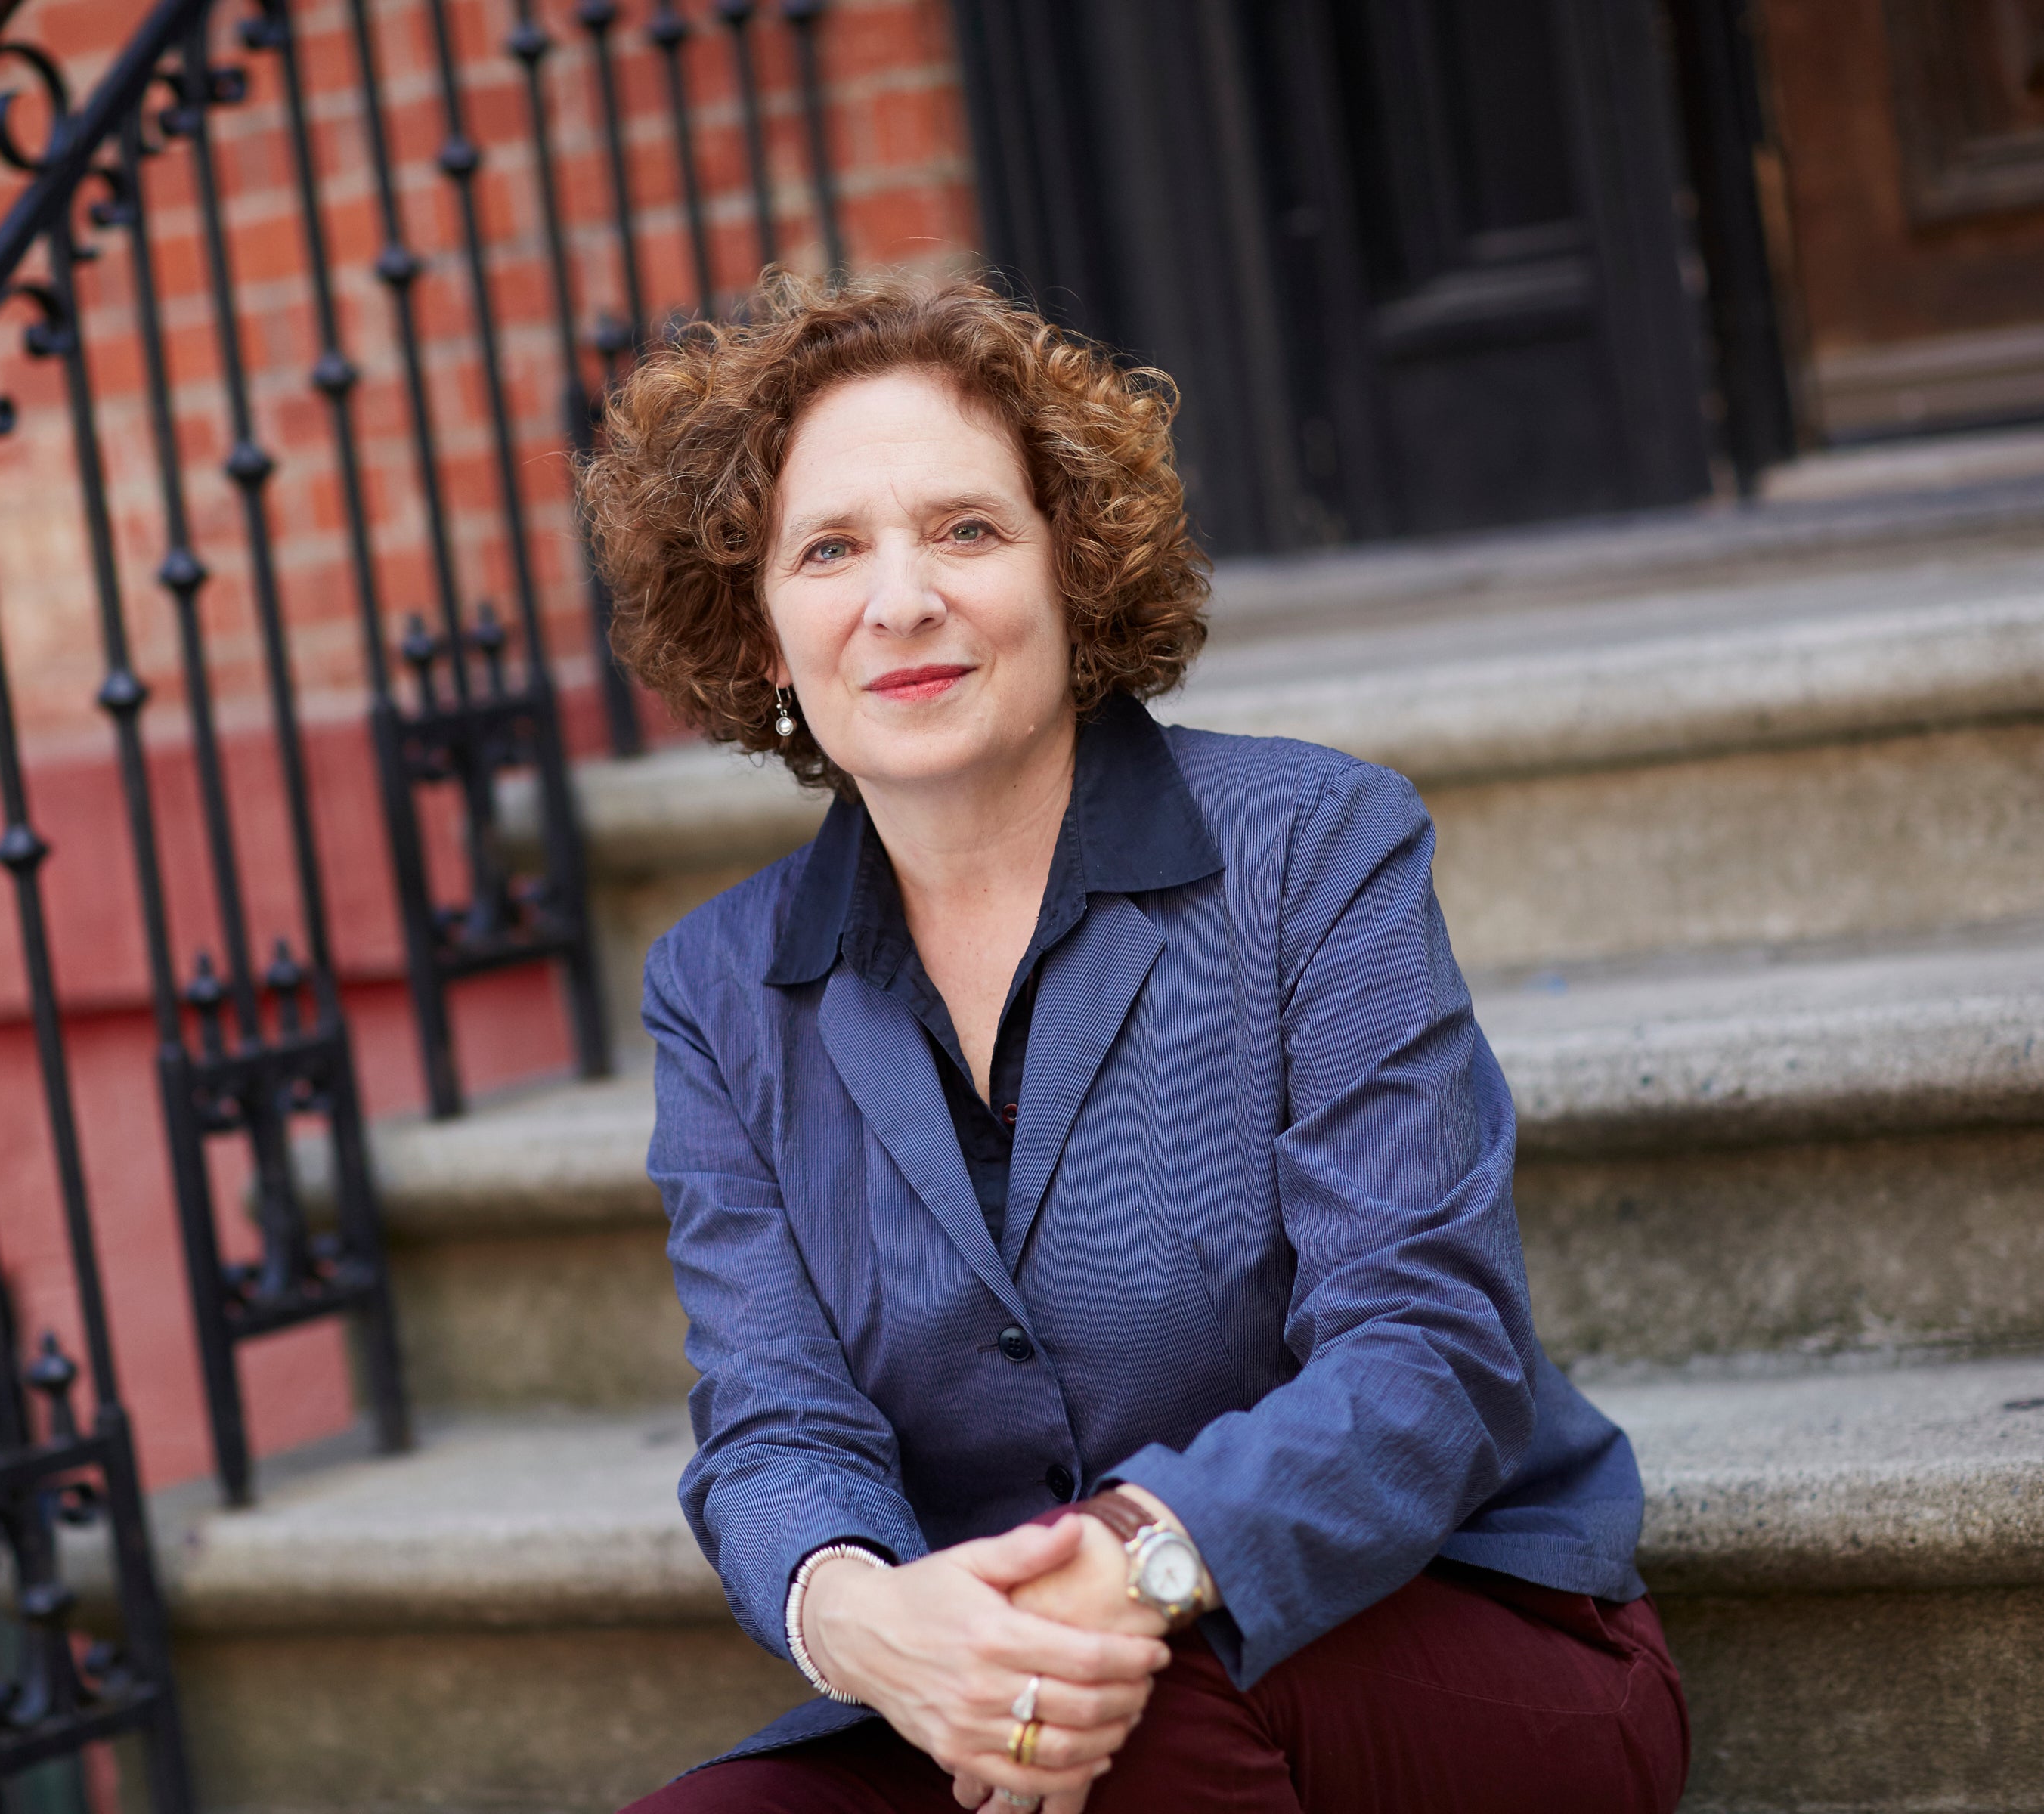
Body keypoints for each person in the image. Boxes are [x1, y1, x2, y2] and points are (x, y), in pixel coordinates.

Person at [577, 271, 1688, 1813]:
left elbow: (1428, 1352)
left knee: (1121, 1737)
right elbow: (774, 1425)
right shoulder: (722, 989)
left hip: (1432, 1626)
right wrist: (865, 1622)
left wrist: (1130, 1563)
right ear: (761, 633)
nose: (901, 600)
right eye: (828, 550)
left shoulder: (1313, 844)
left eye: (967, 530)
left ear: (1074, 573)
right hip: (1026, 1689)